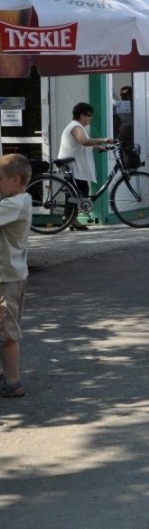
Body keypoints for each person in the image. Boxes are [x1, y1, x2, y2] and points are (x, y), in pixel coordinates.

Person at [0, 154, 32, 398]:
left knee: (8, 332)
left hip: (7, 278)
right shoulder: (18, 199)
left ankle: (13, 382)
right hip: (12, 275)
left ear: (15, 180)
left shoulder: (15, 204)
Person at [57, 102, 114, 231]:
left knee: (77, 192)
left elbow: (80, 144)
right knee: (78, 192)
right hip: (71, 165)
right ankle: (70, 219)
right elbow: (83, 141)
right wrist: (104, 140)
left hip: (74, 165)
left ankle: (70, 218)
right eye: (89, 115)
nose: (90, 118)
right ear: (81, 115)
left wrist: (97, 147)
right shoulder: (76, 127)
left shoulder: (77, 127)